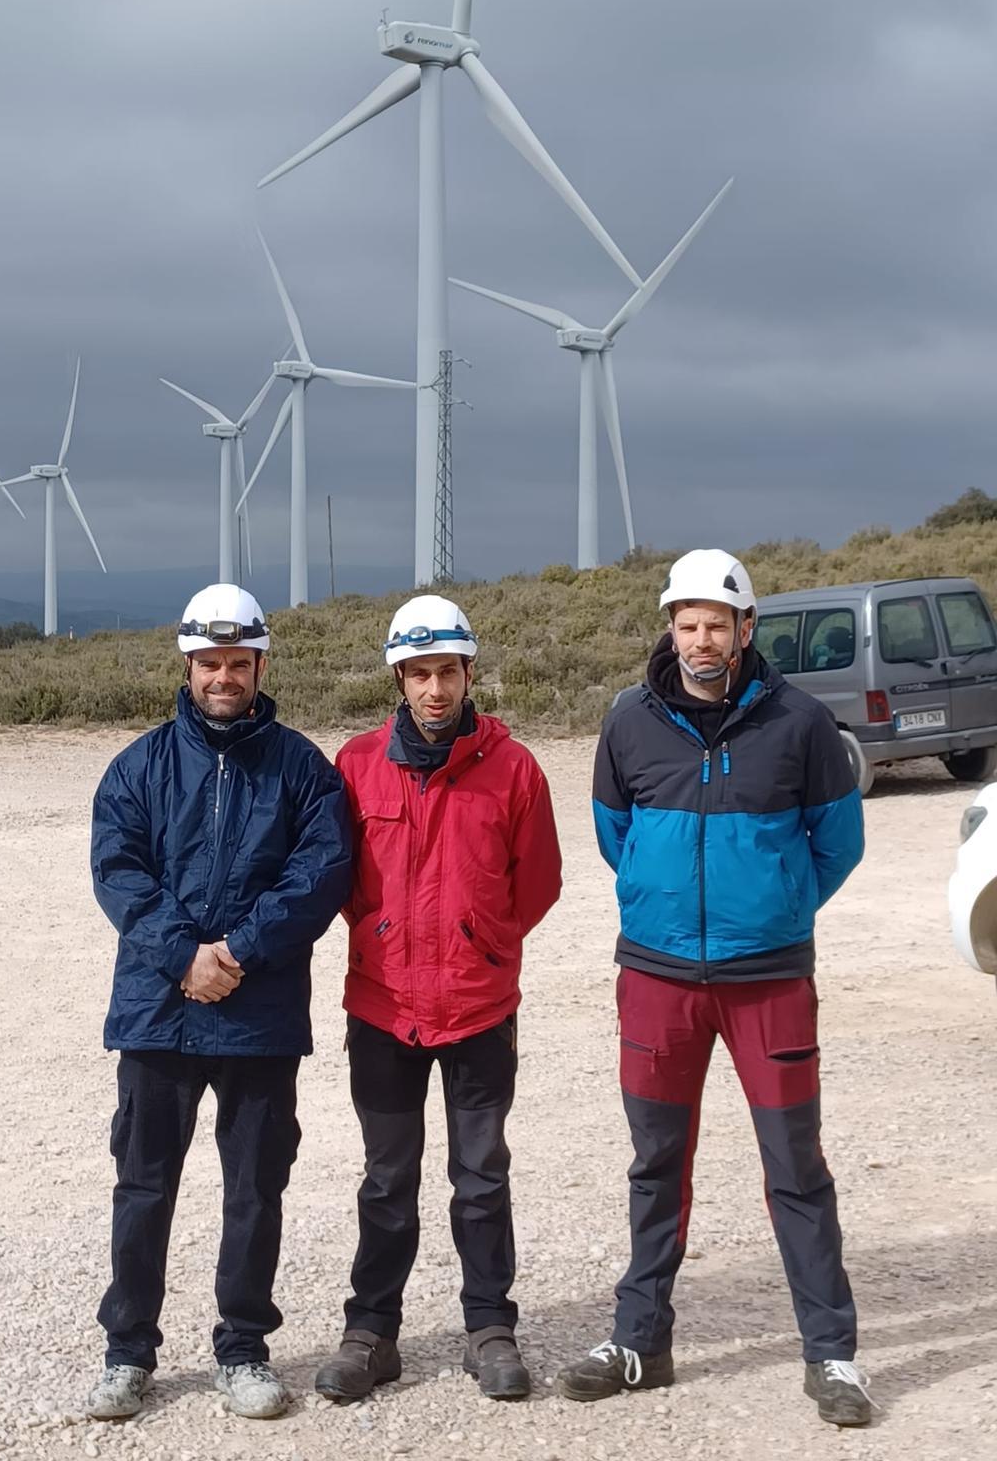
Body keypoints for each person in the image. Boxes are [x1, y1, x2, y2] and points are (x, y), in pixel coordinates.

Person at [556, 549, 873, 1427]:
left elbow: (837, 845)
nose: (701, 640)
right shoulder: (628, 723)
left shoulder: (803, 725)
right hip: (658, 979)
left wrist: (773, 908)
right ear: (671, 627)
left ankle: (833, 1356)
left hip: (768, 981)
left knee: (795, 1167)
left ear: (746, 628)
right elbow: (615, 834)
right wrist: (668, 913)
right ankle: (641, 1343)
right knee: (656, 1165)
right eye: (686, 623)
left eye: (716, 625)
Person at [85, 584, 352, 1422]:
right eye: (211, 663)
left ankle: (242, 1348)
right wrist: (183, 956)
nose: (225, 677)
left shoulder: (303, 770)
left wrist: (236, 952)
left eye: (240, 663)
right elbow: (120, 872)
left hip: (257, 1014)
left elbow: (321, 875)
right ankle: (128, 1353)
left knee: (255, 1190)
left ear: (261, 664)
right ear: (188, 664)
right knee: (143, 1186)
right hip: (159, 1013)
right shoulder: (139, 767)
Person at [314, 595, 562, 1404]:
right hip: (383, 1008)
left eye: (447, 671)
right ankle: (371, 1333)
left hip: (479, 1008)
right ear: (398, 676)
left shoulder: (514, 769)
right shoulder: (355, 765)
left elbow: (538, 883)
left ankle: (490, 1328)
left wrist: (480, 942)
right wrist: (386, 932)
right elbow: (342, 880)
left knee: (482, 1174)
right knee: (387, 1176)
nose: (433, 689)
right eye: (419, 673)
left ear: (468, 674)